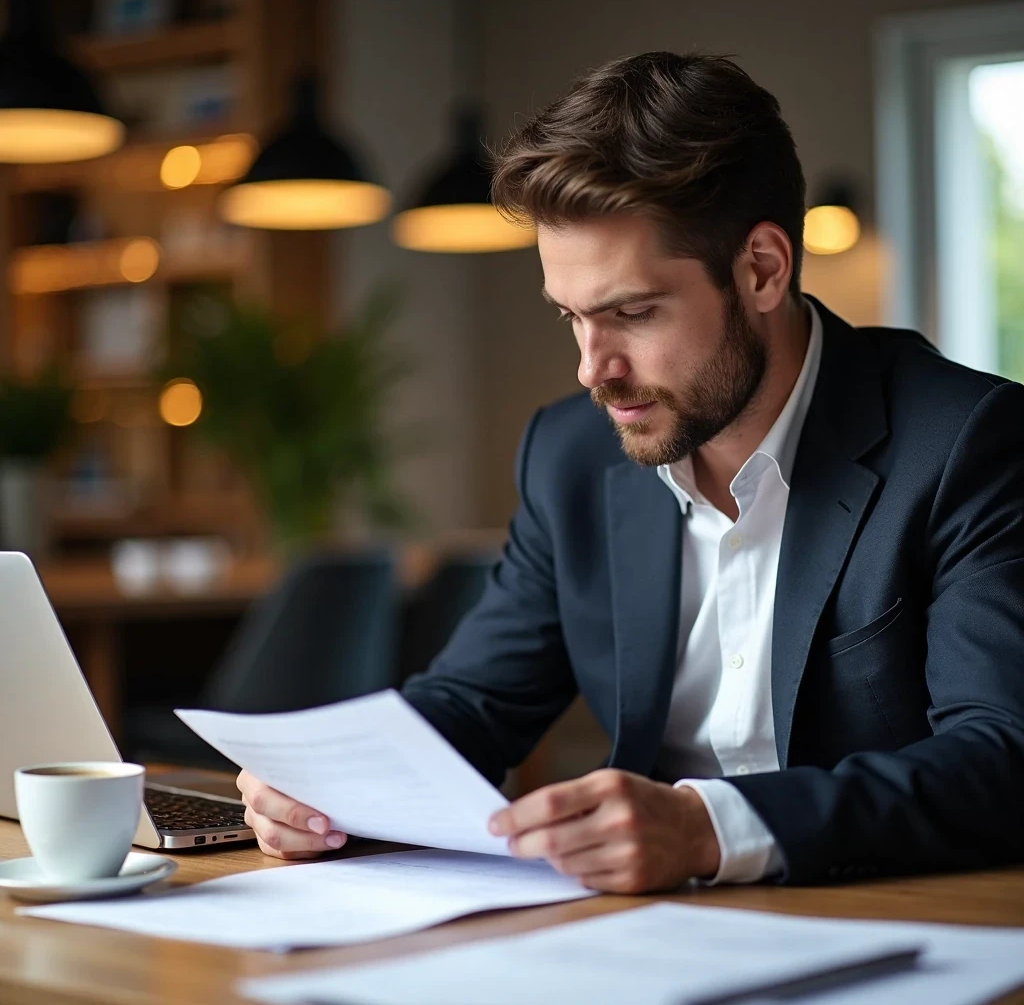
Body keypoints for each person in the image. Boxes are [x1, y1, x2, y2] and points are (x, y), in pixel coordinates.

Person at [237, 51, 1024, 890]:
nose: (592, 369)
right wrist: (331, 787)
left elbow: (1002, 757)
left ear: (763, 268)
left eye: (632, 313)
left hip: (891, 918)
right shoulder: (568, 457)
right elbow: (476, 702)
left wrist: (707, 829)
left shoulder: (966, 442)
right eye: (572, 317)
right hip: (638, 929)